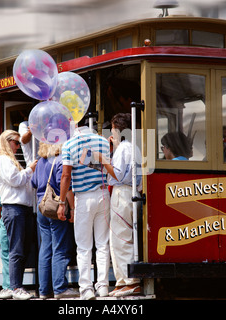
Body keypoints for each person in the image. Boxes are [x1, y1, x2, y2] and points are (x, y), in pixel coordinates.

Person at [57, 125, 111, 300]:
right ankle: (103, 286)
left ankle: (86, 289)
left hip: (82, 197)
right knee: (102, 244)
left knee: (84, 247)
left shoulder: (69, 145)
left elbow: (65, 176)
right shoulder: (103, 142)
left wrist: (61, 202)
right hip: (103, 194)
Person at [94, 113, 142, 297]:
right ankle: (124, 281)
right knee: (122, 238)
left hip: (122, 193)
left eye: (112, 128)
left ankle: (130, 281)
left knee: (120, 239)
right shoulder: (131, 147)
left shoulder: (124, 148)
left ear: (117, 129)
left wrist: (104, 159)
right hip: (129, 193)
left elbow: (120, 175)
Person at [0, 129, 37, 300]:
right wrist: (30, 170)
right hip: (14, 208)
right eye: (16, 142)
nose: (18, 146)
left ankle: (15, 286)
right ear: (7, 141)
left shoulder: (9, 160)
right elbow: (16, 180)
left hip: (21, 208)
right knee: (17, 249)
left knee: (22, 249)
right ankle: (16, 287)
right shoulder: (3, 160)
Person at [31, 143, 78, 299]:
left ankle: (44, 291)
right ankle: (60, 289)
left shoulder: (40, 161)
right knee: (60, 247)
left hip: (41, 208)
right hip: (56, 207)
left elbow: (33, 184)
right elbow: (65, 185)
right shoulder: (59, 161)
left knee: (45, 248)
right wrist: (72, 208)